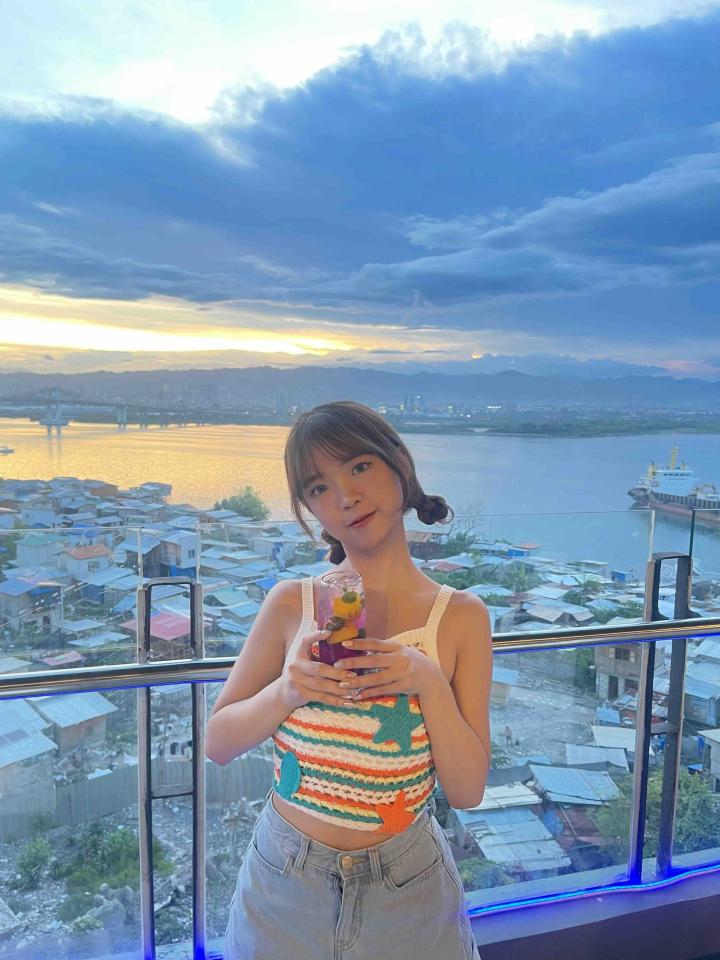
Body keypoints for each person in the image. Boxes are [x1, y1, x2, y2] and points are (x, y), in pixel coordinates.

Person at [206, 400, 493, 960]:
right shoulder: (292, 604)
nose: (345, 496)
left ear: (400, 464)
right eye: (319, 487)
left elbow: (468, 791)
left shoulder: (460, 617)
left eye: (360, 466)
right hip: (283, 884)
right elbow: (218, 743)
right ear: (311, 510)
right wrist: (288, 689)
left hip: (408, 892)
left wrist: (428, 683)